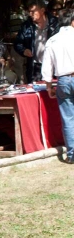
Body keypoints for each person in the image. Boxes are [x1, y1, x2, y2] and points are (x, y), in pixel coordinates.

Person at [42, 9, 74, 162]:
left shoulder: (52, 40)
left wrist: (49, 87)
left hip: (63, 80)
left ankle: (72, 154)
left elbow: (46, 67)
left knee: (68, 118)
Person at [15, 0, 60, 83]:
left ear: (42, 10)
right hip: (35, 67)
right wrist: (23, 50)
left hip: (53, 66)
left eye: (33, 11)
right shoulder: (26, 26)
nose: (30, 14)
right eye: (29, 11)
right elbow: (18, 42)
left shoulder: (55, 24)